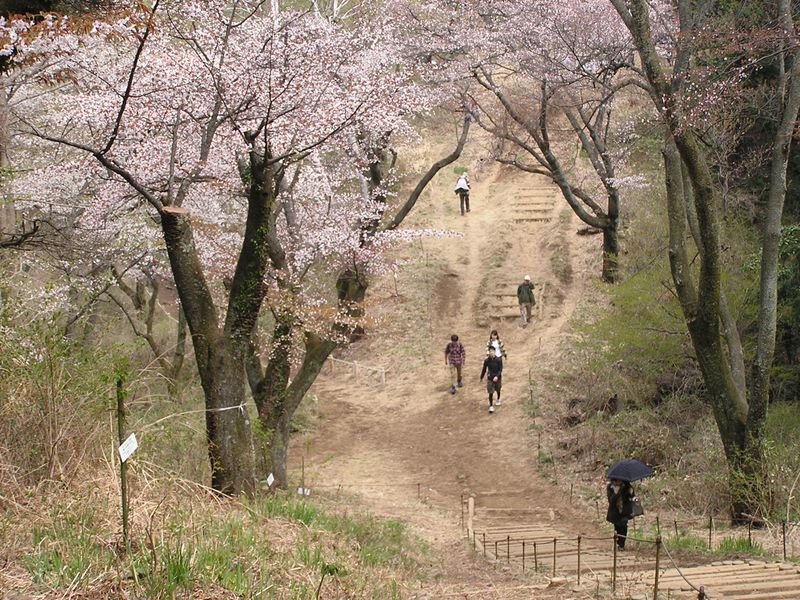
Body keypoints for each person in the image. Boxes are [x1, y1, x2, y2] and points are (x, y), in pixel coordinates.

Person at [606, 478, 635, 550]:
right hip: (615, 511)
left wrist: (631, 492)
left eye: (619, 481)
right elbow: (611, 501)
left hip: (625, 510)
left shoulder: (627, 485)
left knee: (624, 525)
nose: (618, 482)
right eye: (616, 481)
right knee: (617, 526)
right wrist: (615, 493)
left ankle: (622, 544)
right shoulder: (610, 487)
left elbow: (631, 496)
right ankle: (618, 543)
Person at [479, 347, 503, 413]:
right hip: (490, 378)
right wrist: (481, 377)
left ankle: (498, 399)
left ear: (495, 352)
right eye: (490, 351)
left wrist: (497, 376)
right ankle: (491, 406)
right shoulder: (487, 361)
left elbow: (500, 369)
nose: (491, 352)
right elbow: (484, 369)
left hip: (498, 377)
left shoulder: (499, 360)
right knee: (490, 392)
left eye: (492, 351)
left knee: (498, 389)